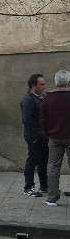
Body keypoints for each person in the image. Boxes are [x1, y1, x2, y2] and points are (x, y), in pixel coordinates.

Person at [40, 70, 70, 206]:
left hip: (54, 137)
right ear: (69, 82)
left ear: (56, 82)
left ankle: (52, 197)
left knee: (53, 167)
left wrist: (50, 133)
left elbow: (43, 120)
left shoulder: (48, 98)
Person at [20, 74, 48, 197]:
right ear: (33, 86)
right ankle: (28, 186)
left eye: (43, 84)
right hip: (34, 136)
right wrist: (33, 137)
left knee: (43, 160)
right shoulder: (28, 100)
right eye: (41, 84)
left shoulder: (43, 98)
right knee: (32, 160)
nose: (43, 86)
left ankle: (44, 186)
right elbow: (27, 120)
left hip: (44, 135)